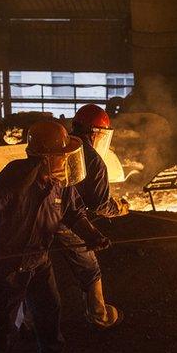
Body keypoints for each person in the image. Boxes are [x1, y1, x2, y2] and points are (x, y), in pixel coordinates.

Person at [0, 120, 111, 353]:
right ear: (44, 157)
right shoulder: (16, 179)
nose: (66, 160)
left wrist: (92, 235)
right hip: (7, 261)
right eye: (61, 155)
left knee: (49, 306)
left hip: (38, 256)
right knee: (2, 316)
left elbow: (73, 213)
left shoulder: (60, 183)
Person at [60, 104, 129, 327]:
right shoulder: (94, 161)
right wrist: (118, 208)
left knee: (33, 268)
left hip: (39, 215)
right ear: (96, 133)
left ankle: (26, 322)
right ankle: (100, 315)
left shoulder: (59, 146)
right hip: (65, 218)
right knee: (89, 268)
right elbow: (99, 204)